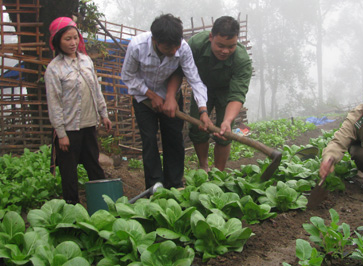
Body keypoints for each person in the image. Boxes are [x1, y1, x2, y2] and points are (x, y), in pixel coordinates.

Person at [121, 13, 209, 190]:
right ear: (155, 40)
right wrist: (151, 95)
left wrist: (203, 110)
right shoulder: (137, 46)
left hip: (172, 100)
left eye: (176, 46)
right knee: (149, 140)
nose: (174, 52)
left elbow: (194, 79)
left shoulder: (182, 48)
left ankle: (175, 184)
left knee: (174, 140)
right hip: (143, 99)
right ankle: (155, 187)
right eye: (169, 48)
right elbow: (127, 76)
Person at [169, 16, 252, 172]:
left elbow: (237, 95)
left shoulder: (242, 60)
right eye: (220, 45)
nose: (225, 51)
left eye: (231, 46)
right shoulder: (196, 45)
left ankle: (219, 172)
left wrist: (227, 120)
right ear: (211, 37)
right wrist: (171, 96)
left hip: (226, 92)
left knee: (224, 133)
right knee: (198, 128)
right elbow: (178, 70)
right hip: (201, 89)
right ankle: (204, 166)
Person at [45, 17, 112, 204]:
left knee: (94, 166)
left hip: (89, 124)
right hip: (68, 129)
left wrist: (104, 114)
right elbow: (54, 102)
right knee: (69, 172)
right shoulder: (54, 68)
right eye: (68, 39)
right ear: (58, 40)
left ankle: (101, 205)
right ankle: (72, 210)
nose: (73, 43)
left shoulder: (86, 60)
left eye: (75, 38)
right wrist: (61, 134)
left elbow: (96, 90)